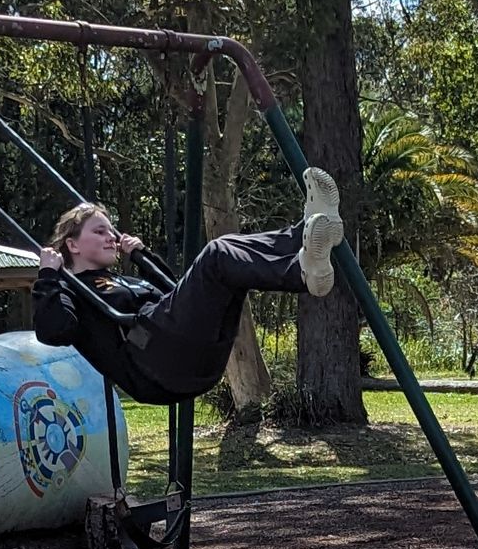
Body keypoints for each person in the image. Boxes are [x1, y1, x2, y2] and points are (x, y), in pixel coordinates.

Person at [31, 171, 346, 404]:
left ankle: (307, 237)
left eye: (111, 231)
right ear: (72, 244)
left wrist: (143, 257)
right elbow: (55, 331)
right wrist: (48, 276)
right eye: (100, 231)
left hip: (195, 360)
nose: (111, 237)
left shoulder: (124, 280)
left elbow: (174, 292)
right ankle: (300, 266)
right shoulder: (70, 289)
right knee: (218, 253)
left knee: (227, 260)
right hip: (153, 367)